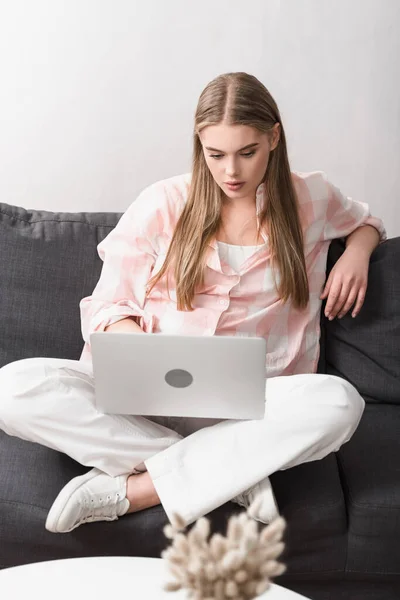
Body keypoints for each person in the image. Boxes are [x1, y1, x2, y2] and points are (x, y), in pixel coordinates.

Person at [0, 72, 386, 534]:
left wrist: (359, 253)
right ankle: (231, 473)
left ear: (274, 138)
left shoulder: (312, 197)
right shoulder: (163, 202)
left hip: (255, 403)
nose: (231, 172)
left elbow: (366, 221)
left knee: (340, 402)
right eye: (215, 154)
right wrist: (137, 353)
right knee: (12, 388)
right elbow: (107, 305)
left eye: (248, 153)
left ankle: (136, 490)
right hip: (147, 400)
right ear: (198, 144)